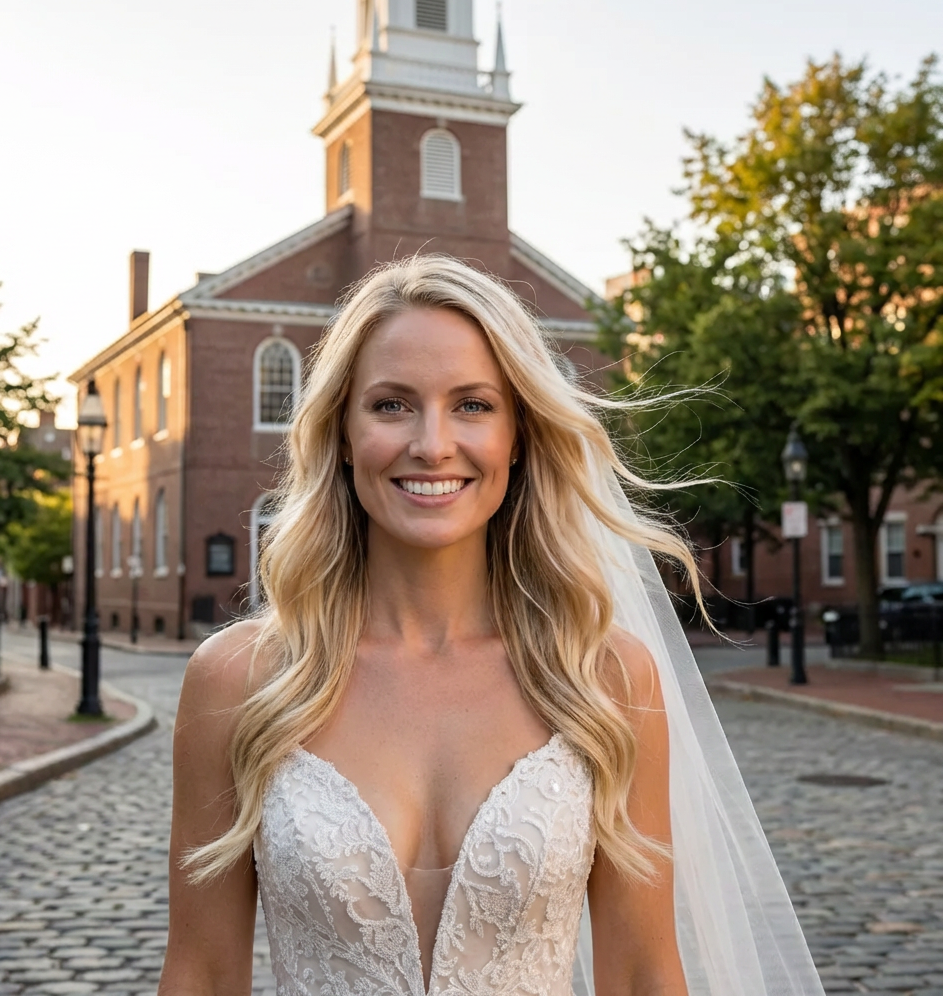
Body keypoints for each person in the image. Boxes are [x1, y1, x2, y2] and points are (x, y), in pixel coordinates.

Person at [158, 256, 825, 996]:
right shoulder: (238, 679)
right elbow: (203, 974)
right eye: (391, 405)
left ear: (519, 435)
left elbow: (641, 975)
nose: (433, 444)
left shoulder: (603, 677)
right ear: (342, 433)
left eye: (473, 405)